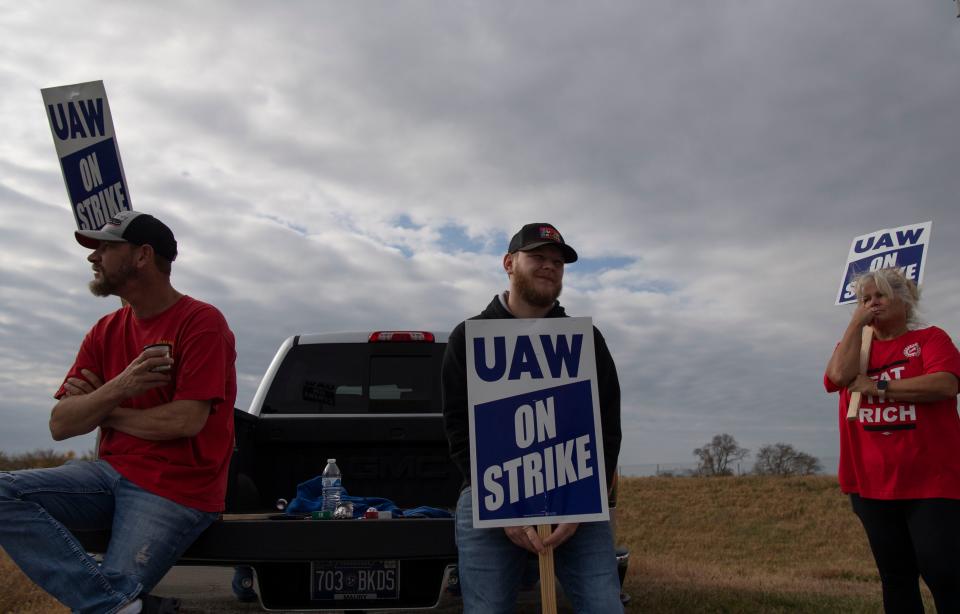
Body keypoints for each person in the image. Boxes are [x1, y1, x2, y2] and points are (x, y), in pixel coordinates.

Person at [0, 210, 237, 614]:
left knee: (106, 603)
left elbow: (185, 421)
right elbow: (61, 424)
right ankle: (117, 605)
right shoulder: (104, 330)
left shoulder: (201, 322)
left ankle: (113, 604)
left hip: (176, 488)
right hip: (107, 474)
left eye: (106, 247)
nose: (94, 258)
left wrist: (104, 410)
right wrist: (121, 387)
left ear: (142, 256)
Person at [442, 222, 623, 613]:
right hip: (489, 498)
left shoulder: (585, 340)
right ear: (509, 263)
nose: (549, 266)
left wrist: (583, 504)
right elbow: (459, 429)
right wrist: (502, 508)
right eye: (538, 257)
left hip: (575, 496)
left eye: (557, 261)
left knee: (604, 605)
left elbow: (608, 426)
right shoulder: (469, 336)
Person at [825, 268, 960, 613]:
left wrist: (880, 386)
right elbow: (838, 376)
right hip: (870, 483)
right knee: (896, 576)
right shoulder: (854, 346)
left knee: (943, 572)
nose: (872, 304)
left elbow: (945, 384)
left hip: (931, 480)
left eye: (880, 296)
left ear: (905, 300)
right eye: (864, 299)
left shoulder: (931, 339)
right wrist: (855, 325)